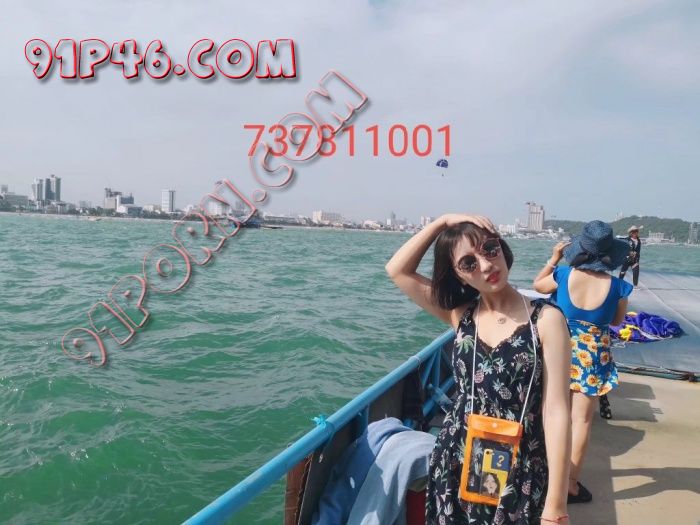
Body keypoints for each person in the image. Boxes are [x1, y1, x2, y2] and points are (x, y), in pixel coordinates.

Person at [386, 214, 571, 525]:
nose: (485, 265)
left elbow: (556, 411)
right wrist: (442, 222)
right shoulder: (461, 316)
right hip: (458, 458)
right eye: (468, 263)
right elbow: (398, 270)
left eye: (489, 249)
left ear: (502, 248)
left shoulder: (546, 320)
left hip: (521, 464)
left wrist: (557, 503)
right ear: (459, 276)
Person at [533, 220, 632, 505]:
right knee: (582, 420)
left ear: (579, 249)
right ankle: (570, 484)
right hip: (593, 357)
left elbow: (538, 285)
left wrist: (553, 259)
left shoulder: (563, 274)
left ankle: (543, 472)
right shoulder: (619, 287)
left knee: (551, 411)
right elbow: (616, 321)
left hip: (559, 350)